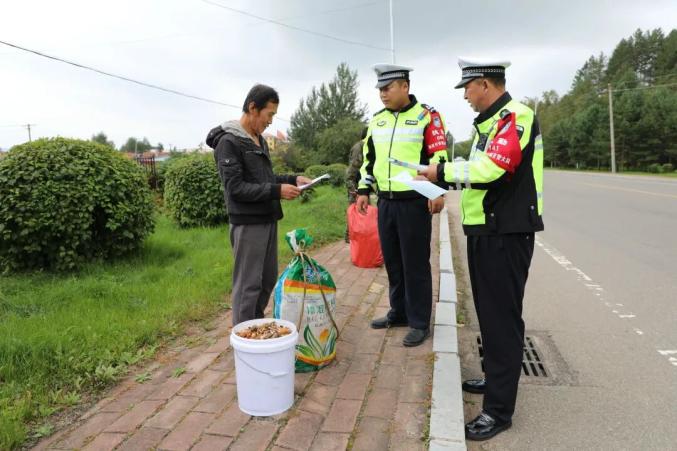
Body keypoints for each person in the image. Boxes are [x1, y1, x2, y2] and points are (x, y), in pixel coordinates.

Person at [418, 57, 544, 441]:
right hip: (486, 231)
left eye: (468, 88)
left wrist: (441, 172)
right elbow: (478, 171)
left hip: (506, 233)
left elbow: (491, 169)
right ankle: (495, 379)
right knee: (489, 314)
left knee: (502, 319)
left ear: (485, 84)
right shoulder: (489, 124)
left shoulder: (515, 117)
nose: (466, 97)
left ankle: (498, 411)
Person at [356, 64, 448, 347]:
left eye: (388, 88)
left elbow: (439, 157)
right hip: (386, 202)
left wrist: (437, 191)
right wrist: (363, 189)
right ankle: (399, 312)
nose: (382, 94)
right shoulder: (377, 120)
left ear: (405, 86)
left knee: (415, 264)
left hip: (414, 202)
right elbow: (369, 160)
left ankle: (419, 322)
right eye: (380, 89)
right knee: (393, 262)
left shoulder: (426, 116)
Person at [206, 84, 312, 326]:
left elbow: (265, 179)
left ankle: (255, 327)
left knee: (266, 280)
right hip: (248, 224)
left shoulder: (258, 140)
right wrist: (277, 191)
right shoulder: (229, 142)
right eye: (269, 114)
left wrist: (292, 179)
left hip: (268, 218)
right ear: (253, 108)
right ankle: (243, 337)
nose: (271, 121)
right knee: (248, 285)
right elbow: (235, 188)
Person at [344, 126, 369, 242]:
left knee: (363, 214)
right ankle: (351, 238)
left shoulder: (365, 146)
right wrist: (354, 190)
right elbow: (352, 170)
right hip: (355, 186)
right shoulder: (359, 147)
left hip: (362, 185)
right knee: (355, 214)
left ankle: (359, 240)